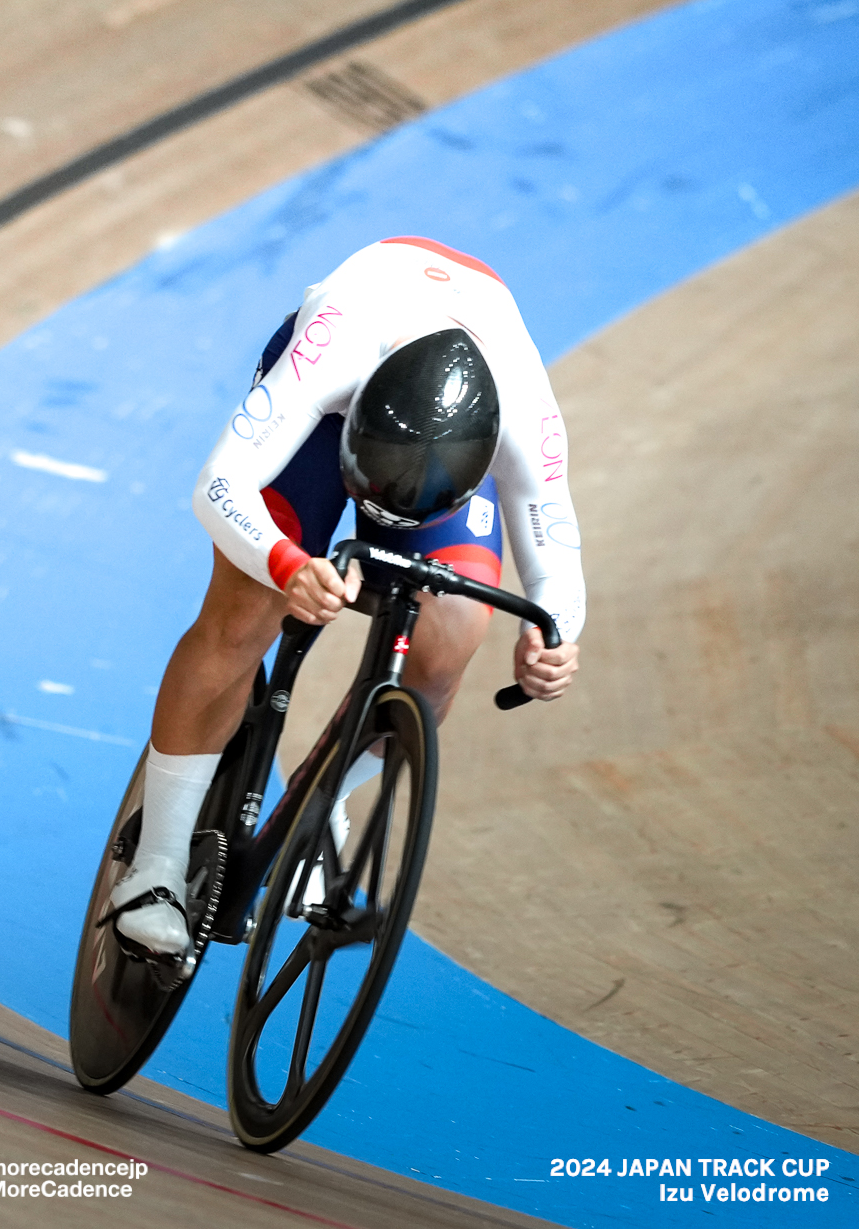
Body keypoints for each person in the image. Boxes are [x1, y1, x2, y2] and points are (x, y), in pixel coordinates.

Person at [110, 236, 586, 956]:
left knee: (454, 630)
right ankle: (155, 867)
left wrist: (552, 640)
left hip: (447, 416)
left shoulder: (523, 408)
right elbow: (218, 486)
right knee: (244, 613)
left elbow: (556, 562)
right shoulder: (334, 347)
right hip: (336, 404)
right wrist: (285, 563)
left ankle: (320, 799)